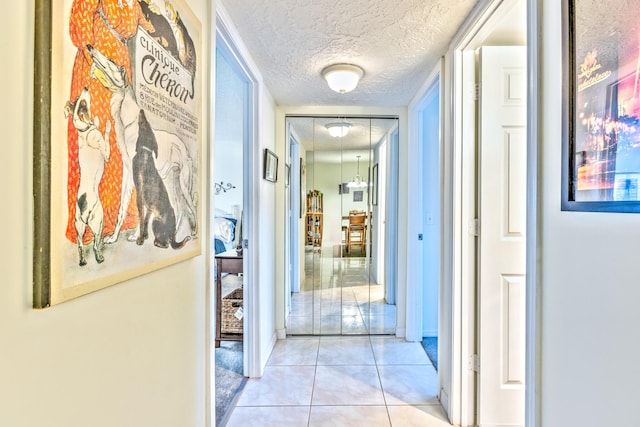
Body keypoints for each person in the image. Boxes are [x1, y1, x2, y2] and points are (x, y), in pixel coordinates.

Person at [66, 0, 154, 244]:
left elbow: (149, 24)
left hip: (121, 69)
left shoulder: (134, 5)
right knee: (96, 138)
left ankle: (119, 217)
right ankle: (90, 222)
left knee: (120, 142)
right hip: (97, 66)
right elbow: (81, 15)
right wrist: (92, 52)